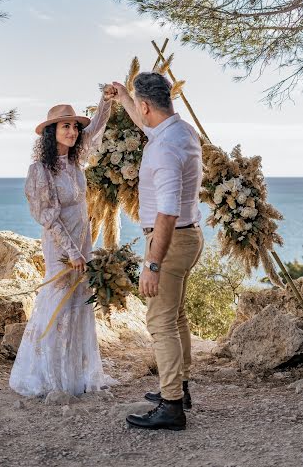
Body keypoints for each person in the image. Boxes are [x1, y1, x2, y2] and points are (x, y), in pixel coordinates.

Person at [9, 86, 116, 397]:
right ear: (51, 132)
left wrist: (105, 101)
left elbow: (96, 129)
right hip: (60, 246)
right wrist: (71, 252)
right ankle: (53, 379)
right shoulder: (40, 170)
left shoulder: (76, 161)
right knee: (58, 306)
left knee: (79, 304)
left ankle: (76, 376)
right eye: (65, 125)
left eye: (74, 126)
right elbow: (49, 218)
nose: (72, 131)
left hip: (83, 243)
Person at [113, 73, 204, 430]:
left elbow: (167, 212)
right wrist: (124, 97)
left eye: (139, 106)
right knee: (176, 316)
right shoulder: (178, 131)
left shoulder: (165, 148)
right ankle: (179, 388)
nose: (140, 113)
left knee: (160, 323)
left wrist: (152, 263)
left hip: (169, 239)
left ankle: (171, 407)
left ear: (147, 105)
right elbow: (146, 123)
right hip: (190, 236)